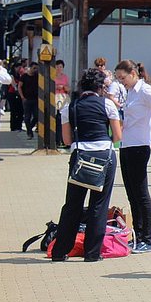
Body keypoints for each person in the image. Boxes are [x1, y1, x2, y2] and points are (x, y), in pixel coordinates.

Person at [51, 68, 123, 262]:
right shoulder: (107, 104)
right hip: (104, 155)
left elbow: (66, 139)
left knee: (72, 205)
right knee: (99, 205)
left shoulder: (70, 107)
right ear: (100, 87)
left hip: (80, 156)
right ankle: (92, 253)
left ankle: (60, 251)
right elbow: (117, 136)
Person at [115, 59, 151, 254]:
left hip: (140, 146)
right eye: (118, 79)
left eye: (123, 78)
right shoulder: (131, 92)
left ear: (133, 73)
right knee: (132, 194)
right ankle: (138, 234)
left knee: (141, 194)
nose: (121, 81)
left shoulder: (145, 90)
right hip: (126, 145)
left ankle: (147, 238)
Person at [18, 62, 40, 140]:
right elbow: (20, 86)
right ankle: (30, 133)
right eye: (34, 68)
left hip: (35, 99)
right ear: (30, 68)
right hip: (27, 99)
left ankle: (30, 128)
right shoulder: (24, 76)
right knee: (27, 117)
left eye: (36, 68)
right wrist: (22, 97)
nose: (35, 70)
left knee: (37, 116)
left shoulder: (37, 76)